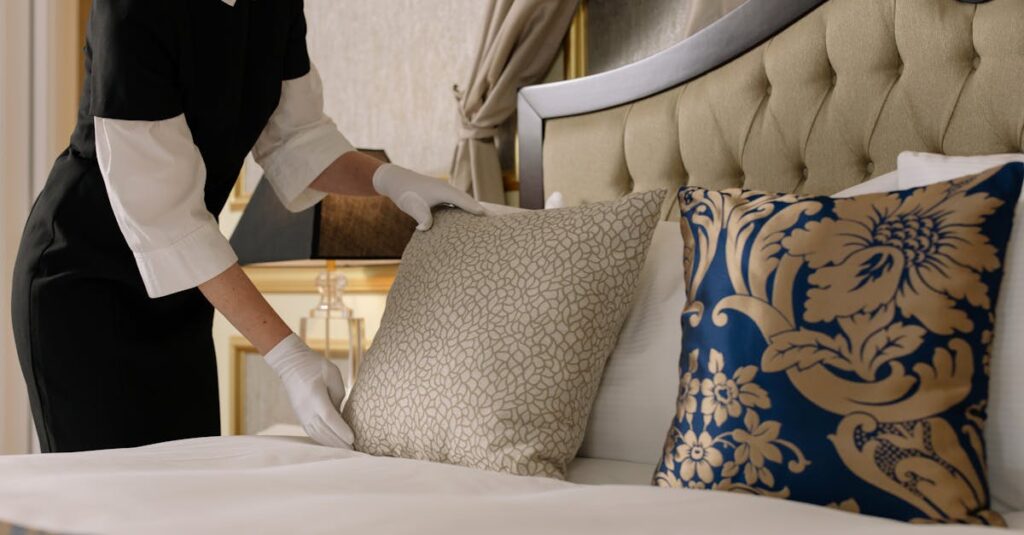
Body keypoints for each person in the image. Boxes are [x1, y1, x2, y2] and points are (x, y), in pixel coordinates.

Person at [10, 0, 483, 453]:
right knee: (113, 507)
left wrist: (391, 181)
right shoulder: (137, 7)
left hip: (187, 293)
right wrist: (287, 356)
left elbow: (299, 140)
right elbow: (167, 215)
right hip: (85, 283)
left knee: (190, 496)